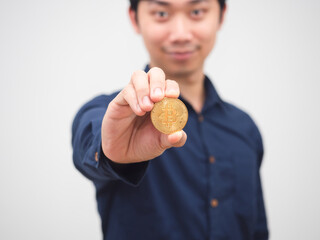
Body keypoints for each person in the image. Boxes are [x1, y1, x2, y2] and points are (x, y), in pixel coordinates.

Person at [72, 0, 269, 239]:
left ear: (221, 16)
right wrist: (108, 151)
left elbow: (257, 230)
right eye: (161, 13)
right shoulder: (116, 115)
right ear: (135, 19)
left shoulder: (245, 128)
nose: (180, 34)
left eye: (197, 12)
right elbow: (89, 136)